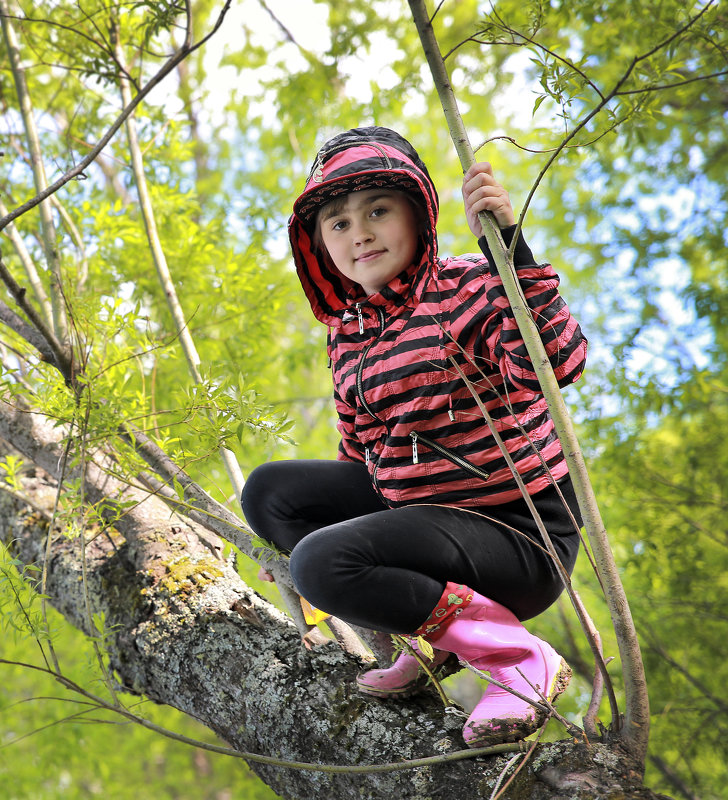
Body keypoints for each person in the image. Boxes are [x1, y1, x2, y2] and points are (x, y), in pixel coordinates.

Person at [240, 126, 587, 748]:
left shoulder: (469, 287)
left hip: (516, 531)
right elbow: (362, 454)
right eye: (338, 223)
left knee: (320, 561)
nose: (360, 233)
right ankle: (436, 636)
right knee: (273, 493)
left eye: (378, 210)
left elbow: (555, 364)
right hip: (426, 519)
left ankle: (516, 657)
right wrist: (337, 538)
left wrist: (508, 249)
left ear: (419, 215)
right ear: (319, 244)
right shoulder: (348, 334)